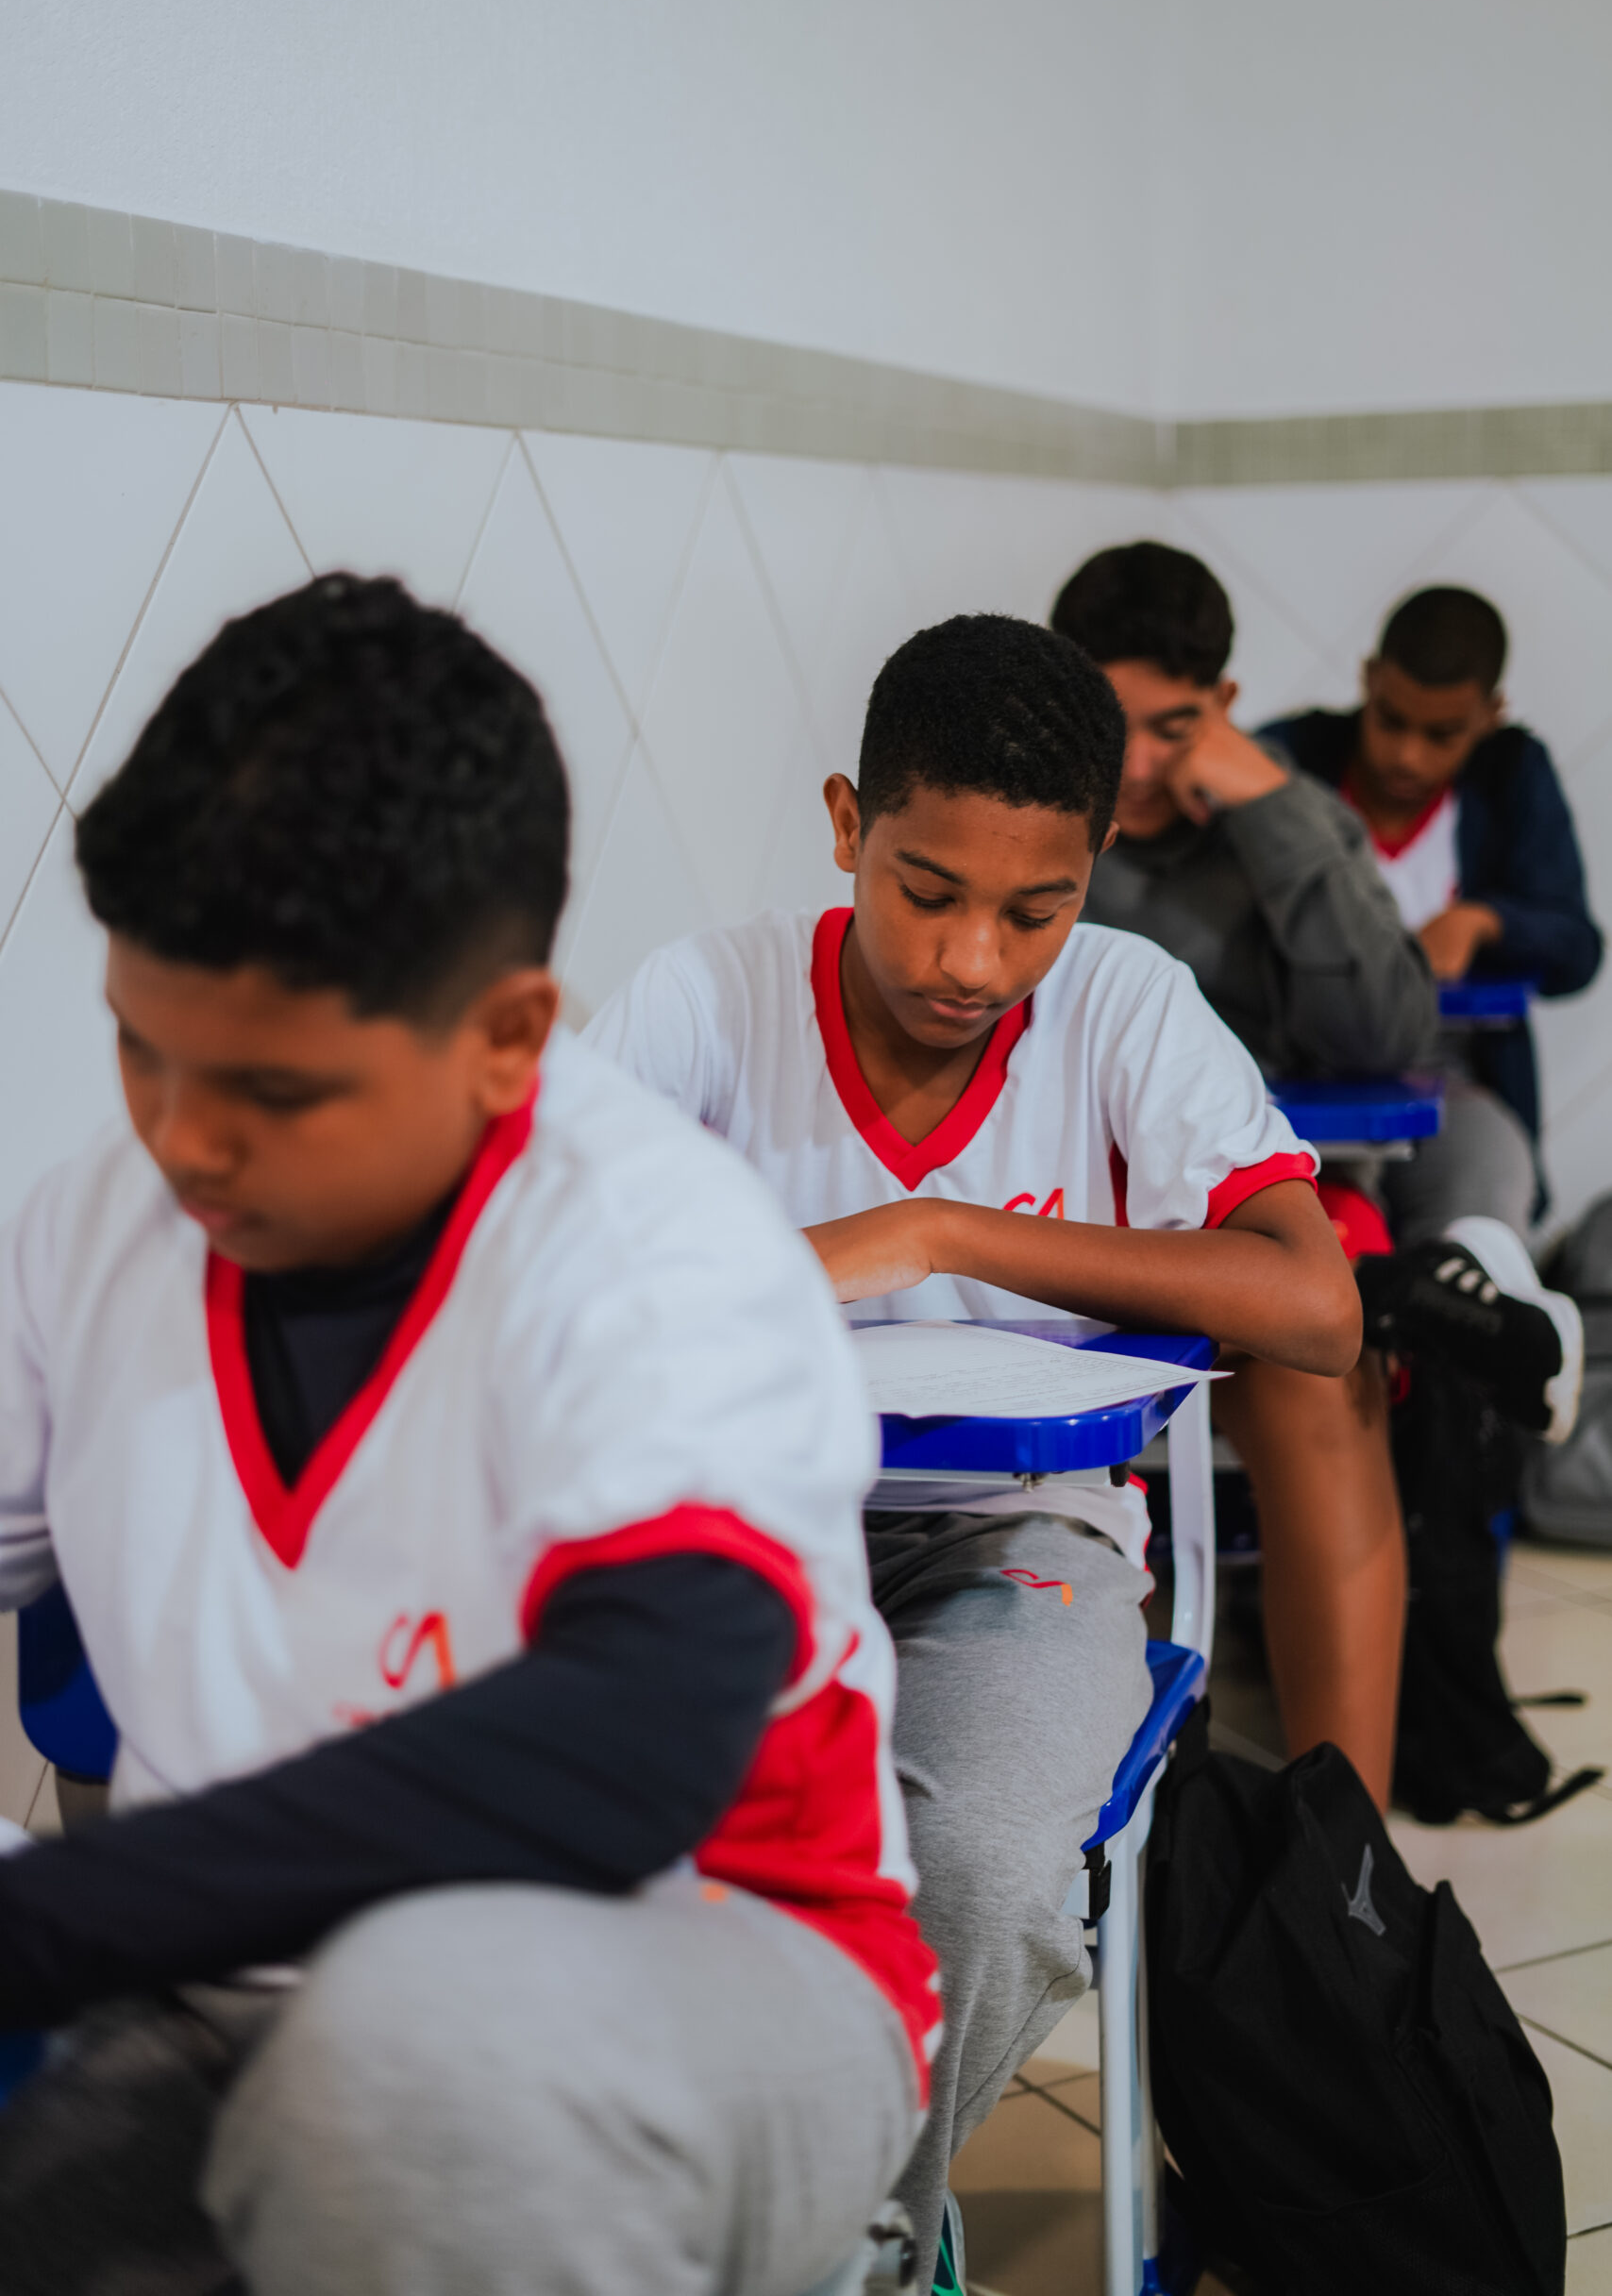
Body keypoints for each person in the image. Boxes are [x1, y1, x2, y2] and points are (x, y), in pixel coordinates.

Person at [0, 576, 937, 2296]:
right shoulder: (91, 1228)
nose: (185, 1142)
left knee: (418, 2060)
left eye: (274, 1090)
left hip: (706, 1964)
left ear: (507, 1038)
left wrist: (48, 1923)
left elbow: (629, 1746)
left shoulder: (657, 1251)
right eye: (143, 1051)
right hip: (232, 1984)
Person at [583, 612, 1362, 2294]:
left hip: (1024, 1538)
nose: (972, 962)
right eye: (924, 890)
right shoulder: (706, 998)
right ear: (845, 824)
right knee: (586, 1828)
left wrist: (941, 1230)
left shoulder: (1127, 1006)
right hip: (740, 1534)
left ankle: (861, 2238)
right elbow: (533, 1280)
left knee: (991, 1871)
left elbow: (1313, 1307)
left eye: (1035, 909)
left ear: (1096, 868)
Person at [1050, 541, 1417, 1828]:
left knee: (1321, 1370)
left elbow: (1388, 1035)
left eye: (1175, 727)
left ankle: (1344, 1852)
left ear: (1223, 706)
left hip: (1258, 1206)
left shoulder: (1278, 824)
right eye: (1115, 726)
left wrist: (1273, 812)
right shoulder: (1026, 821)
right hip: (1068, 1213)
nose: (1143, 765)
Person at [1264, 583, 1604, 1247]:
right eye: (1390, 721)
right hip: (1296, 1073)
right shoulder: (1290, 761)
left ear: (1491, 715)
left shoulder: (1511, 775)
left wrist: (1482, 921)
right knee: (1321, 1240)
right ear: (1368, 680)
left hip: (1449, 1082)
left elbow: (1576, 950)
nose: (1408, 755)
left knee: (1482, 1202)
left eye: (1442, 735)